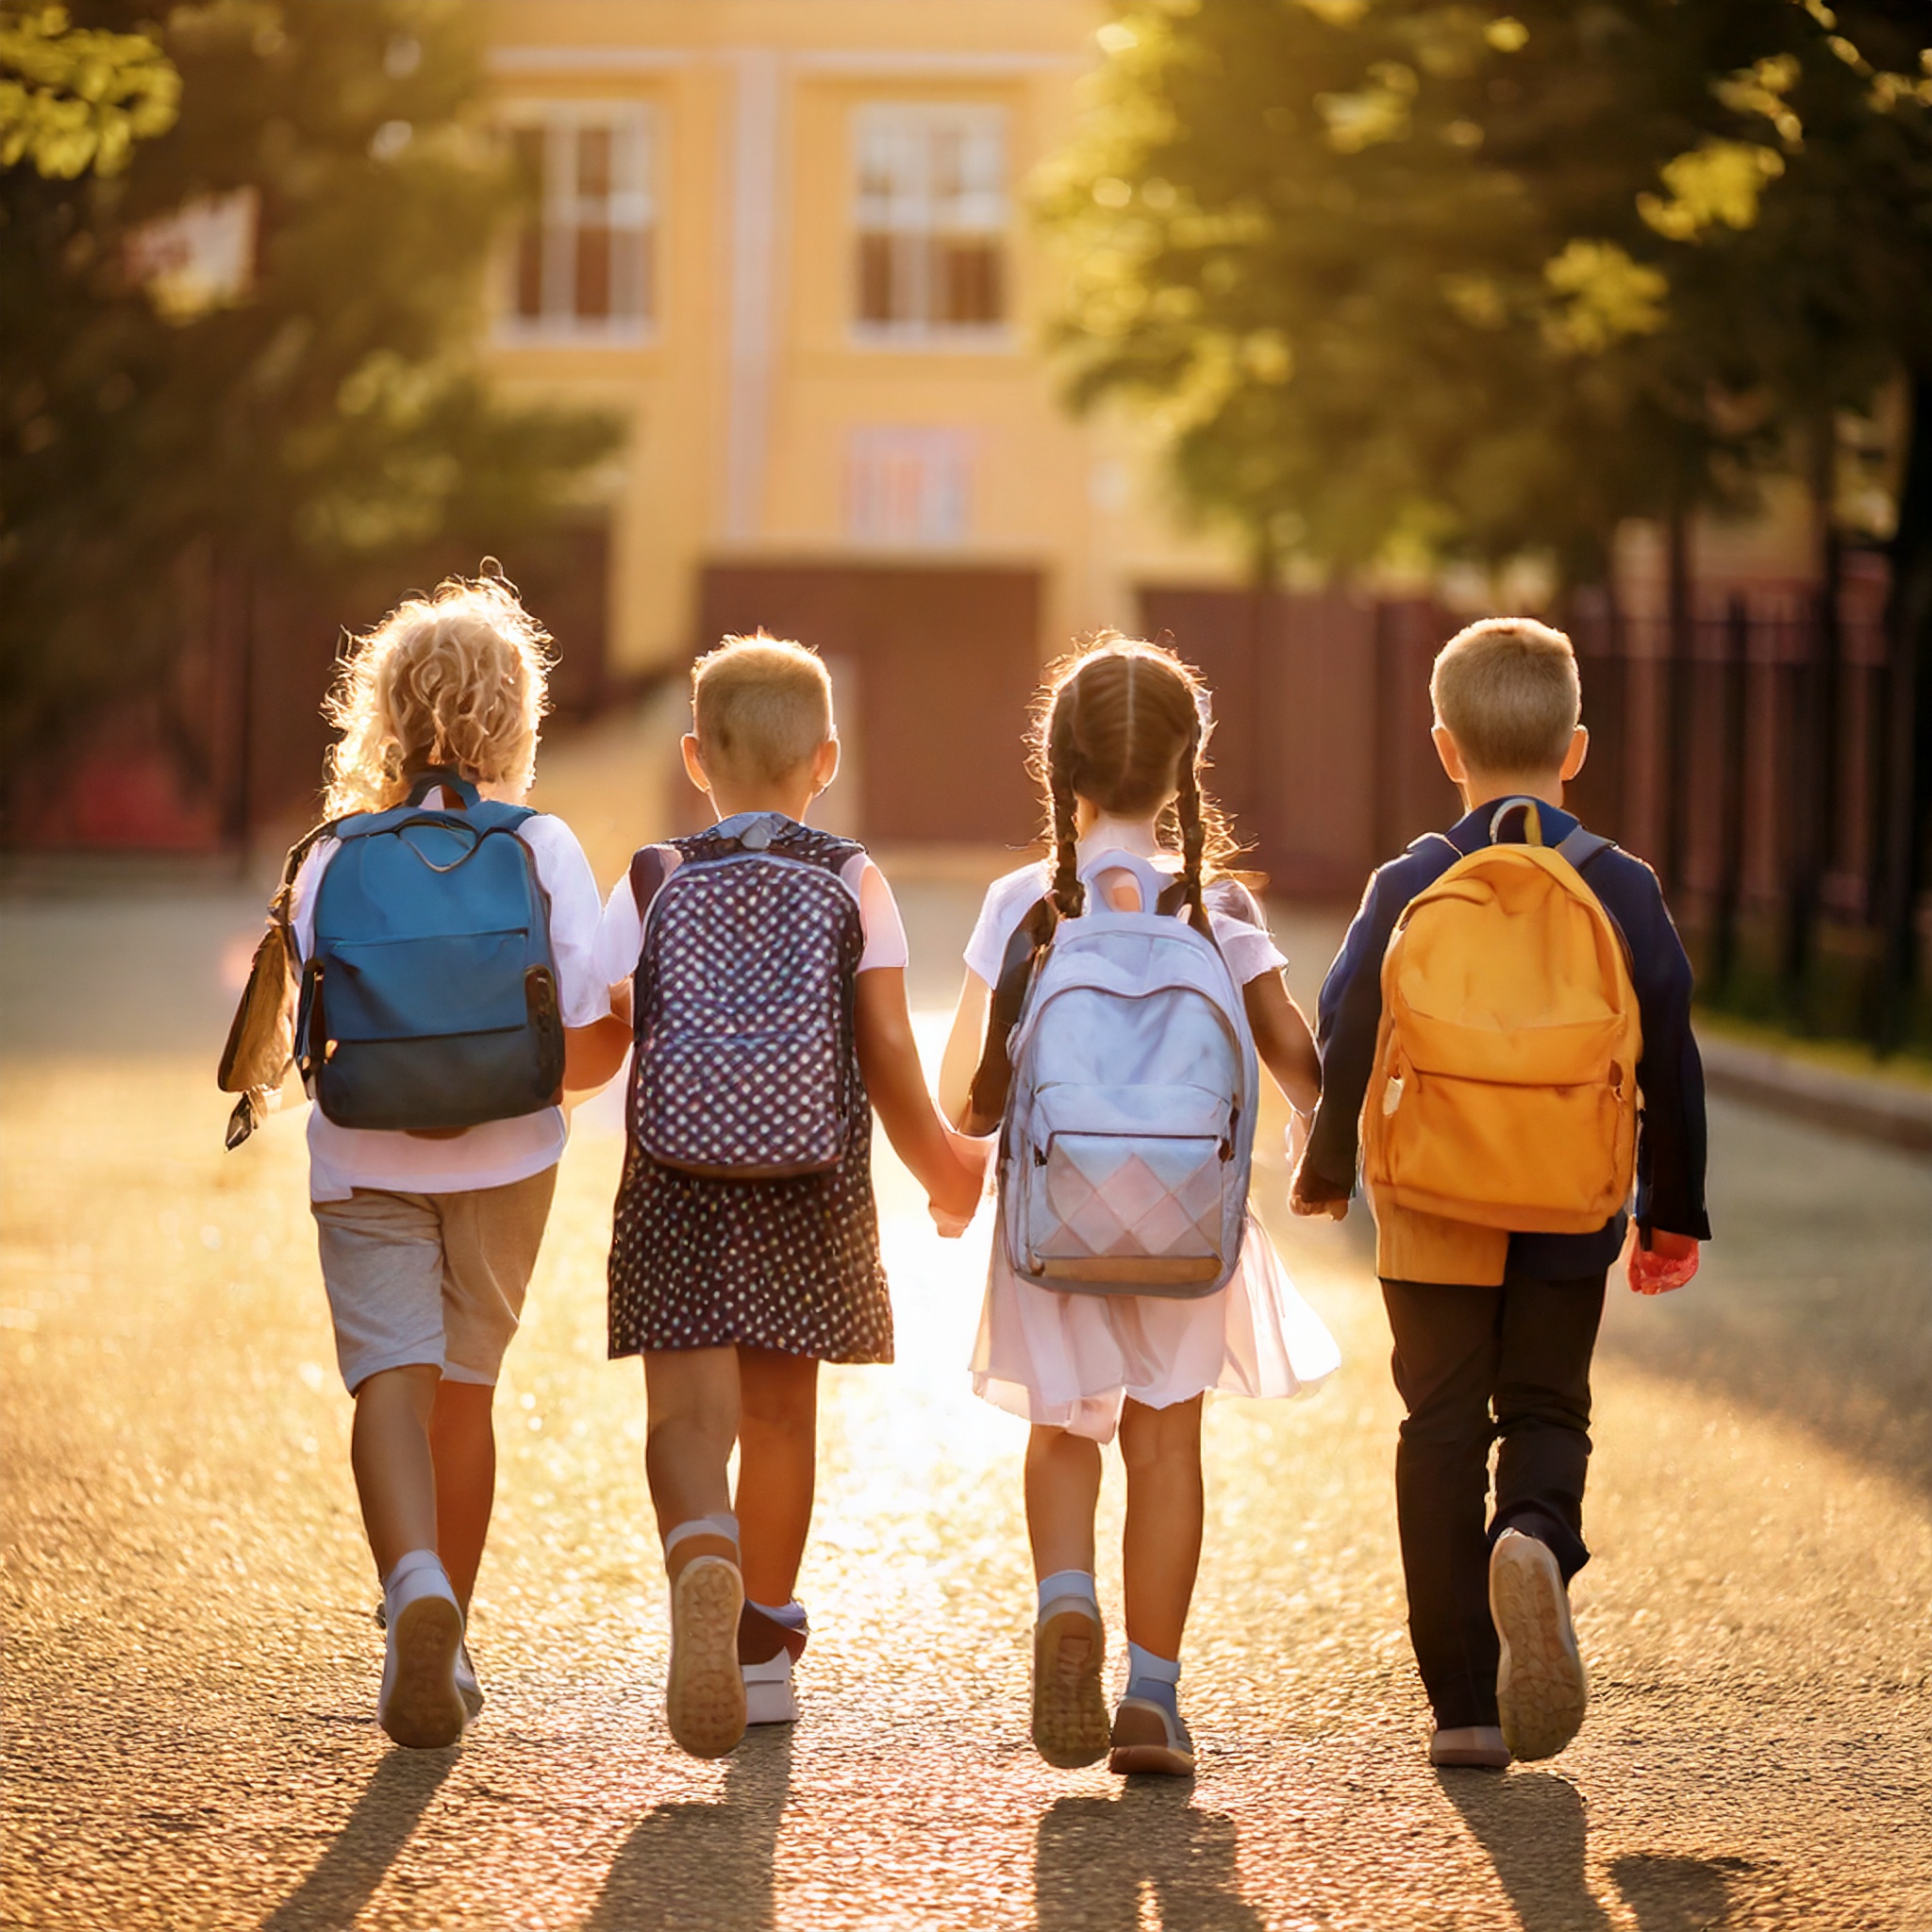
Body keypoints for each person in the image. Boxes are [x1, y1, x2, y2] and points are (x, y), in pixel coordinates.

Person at [1291, 615, 1709, 1771]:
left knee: (1435, 1427)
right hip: (1568, 1194)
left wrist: (1328, 1170)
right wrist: (1669, 1205)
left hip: (1430, 1197)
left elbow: (1349, 1028)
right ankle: (1530, 1530)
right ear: (1574, 748)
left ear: (1443, 746)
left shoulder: (1412, 879)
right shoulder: (1617, 884)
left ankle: (1464, 1707)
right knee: (1544, 1409)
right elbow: (1666, 1046)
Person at [937, 635, 1341, 1778]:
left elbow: (960, 1096)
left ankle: (1066, 1598)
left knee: (1064, 1430)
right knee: (1166, 1446)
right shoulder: (1215, 901)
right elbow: (1301, 1064)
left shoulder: (1024, 901)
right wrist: (1322, 1150)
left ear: (1056, 765)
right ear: (1183, 771)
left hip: (1054, 1219)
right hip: (1182, 1222)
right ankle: (1152, 1695)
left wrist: (960, 1165)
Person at [596, 633, 986, 1760]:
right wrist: (948, 1167)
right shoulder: (851, 878)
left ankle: (699, 1551)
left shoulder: (653, 876)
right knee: (777, 1418)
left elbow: (610, 1025)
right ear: (825, 761)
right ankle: (760, 1649)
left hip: (673, 1175)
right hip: (807, 1178)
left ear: (692, 759)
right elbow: (884, 1055)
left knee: (682, 1421)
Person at [288, 575, 631, 1748]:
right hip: (507, 1154)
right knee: (466, 1389)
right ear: (516, 722)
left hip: (361, 1144)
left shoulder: (331, 855)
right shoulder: (540, 843)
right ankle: (456, 1624)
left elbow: (303, 1010)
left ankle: (413, 1591)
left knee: (389, 1376)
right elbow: (584, 1029)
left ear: (379, 714)